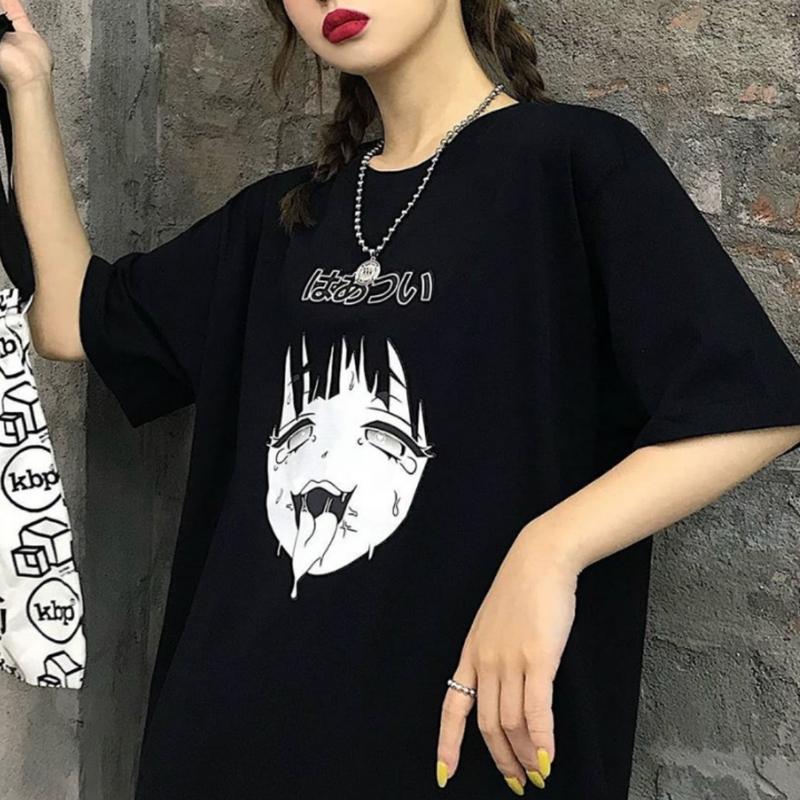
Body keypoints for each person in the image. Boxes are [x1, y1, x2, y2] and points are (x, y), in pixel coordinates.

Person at [2, 0, 800, 797]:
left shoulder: (572, 165)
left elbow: (750, 402)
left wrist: (550, 550)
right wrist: (29, 85)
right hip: (230, 746)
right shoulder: (284, 219)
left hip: (466, 745)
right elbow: (70, 318)